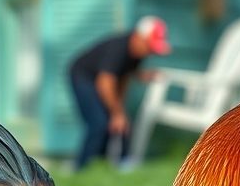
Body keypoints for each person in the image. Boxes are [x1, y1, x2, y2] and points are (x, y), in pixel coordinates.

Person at [68, 16, 172, 169]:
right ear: (138, 37)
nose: (150, 52)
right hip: (83, 75)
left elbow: (123, 78)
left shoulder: (137, 55)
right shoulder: (119, 49)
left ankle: (101, 164)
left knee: (113, 122)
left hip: (101, 80)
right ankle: (81, 167)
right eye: (149, 47)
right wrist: (117, 113)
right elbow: (105, 83)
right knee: (99, 122)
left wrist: (119, 111)